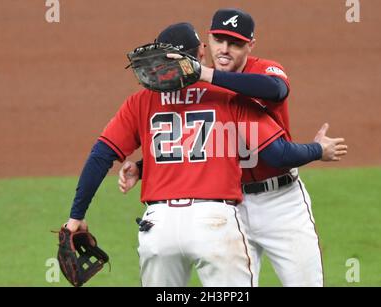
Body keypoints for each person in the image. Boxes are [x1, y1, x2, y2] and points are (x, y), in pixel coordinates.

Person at [118, 18, 348, 287]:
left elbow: (276, 90)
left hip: (281, 203)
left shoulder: (261, 71)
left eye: (235, 43)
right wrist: (142, 167)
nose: (225, 49)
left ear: (250, 45)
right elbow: (194, 141)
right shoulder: (200, 87)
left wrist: (207, 74)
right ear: (208, 41)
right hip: (230, 206)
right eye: (219, 40)